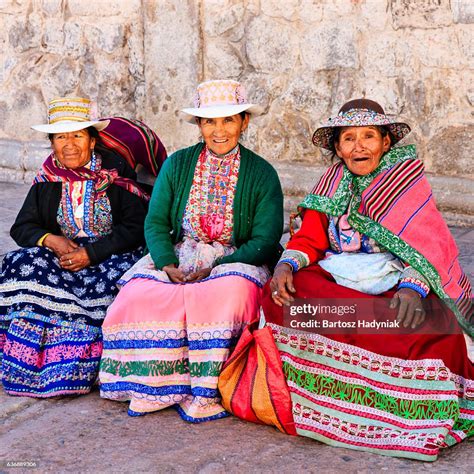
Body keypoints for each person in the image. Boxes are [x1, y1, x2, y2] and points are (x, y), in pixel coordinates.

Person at [232, 99, 473, 461]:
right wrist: (285, 267)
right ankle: (311, 401)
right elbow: (310, 238)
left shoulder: (406, 182)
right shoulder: (331, 182)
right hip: (341, 271)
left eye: (368, 137)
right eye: (348, 138)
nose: (359, 146)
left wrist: (412, 287)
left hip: (396, 276)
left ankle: (404, 412)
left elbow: (430, 248)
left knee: (422, 323)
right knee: (285, 297)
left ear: (385, 142)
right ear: (337, 147)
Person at [99, 79, 284, 422]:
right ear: (198, 125)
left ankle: (205, 391)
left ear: (244, 122)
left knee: (224, 296)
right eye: (209, 121)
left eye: (229, 120)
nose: (219, 130)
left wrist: (221, 265)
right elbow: (155, 222)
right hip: (181, 253)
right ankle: (152, 387)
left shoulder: (262, 174)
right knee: (136, 296)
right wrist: (167, 263)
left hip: (237, 259)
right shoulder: (178, 165)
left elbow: (266, 237)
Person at [0, 97, 149, 397]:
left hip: (109, 256)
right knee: (18, 265)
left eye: (77, 135)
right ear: (52, 143)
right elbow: (22, 227)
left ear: (92, 141)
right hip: (64, 257)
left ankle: (72, 369)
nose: (69, 144)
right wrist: (50, 240)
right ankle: (25, 363)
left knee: (125, 285)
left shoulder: (115, 173)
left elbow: (135, 229)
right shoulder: (48, 177)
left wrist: (91, 254)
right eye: (60, 137)